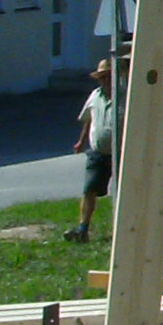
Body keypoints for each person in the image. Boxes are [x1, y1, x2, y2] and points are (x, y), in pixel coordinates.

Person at [65, 56, 118, 243]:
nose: (105, 80)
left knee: (123, 191)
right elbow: (88, 118)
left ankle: (123, 229)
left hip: (121, 153)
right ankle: (82, 229)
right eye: (102, 77)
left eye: (108, 75)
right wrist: (81, 142)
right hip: (97, 152)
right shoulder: (95, 95)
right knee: (89, 190)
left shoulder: (126, 94)